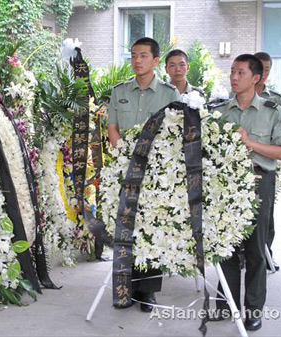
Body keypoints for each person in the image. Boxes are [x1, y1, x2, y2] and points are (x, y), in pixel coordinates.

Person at [211, 54, 281, 331]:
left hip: (258, 181)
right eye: (232, 71)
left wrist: (250, 143)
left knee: (255, 250)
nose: (233, 76)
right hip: (224, 185)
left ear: (256, 78)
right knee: (225, 247)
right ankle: (225, 306)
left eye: (240, 72)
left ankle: (253, 310)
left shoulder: (272, 110)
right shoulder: (219, 111)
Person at [107, 37, 179, 311]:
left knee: (152, 228)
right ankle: (128, 286)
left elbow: (173, 133)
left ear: (156, 60)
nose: (137, 60)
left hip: (156, 173)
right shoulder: (119, 91)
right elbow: (113, 127)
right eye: (134, 55)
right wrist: (125, 155)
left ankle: (148, 291)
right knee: (126, 227)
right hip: (125, 169)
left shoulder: (169, 94)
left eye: (144, 56)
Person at [254, 51, 281, 272]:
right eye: (261, 68)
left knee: (267, 214)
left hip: (267, 160)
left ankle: (267, 253)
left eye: (267, 68)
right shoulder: (231, 97)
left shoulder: (275, 99)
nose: (264, 73)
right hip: (242, 163)